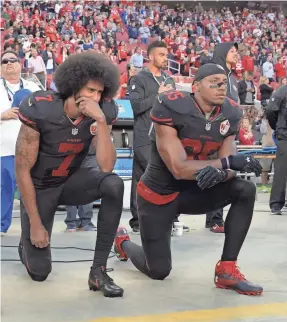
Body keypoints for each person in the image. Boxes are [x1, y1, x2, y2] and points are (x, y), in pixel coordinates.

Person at [114, 64, 263, 296]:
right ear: (195, 86)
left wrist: (223, 171)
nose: (221, 87)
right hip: (159, 195)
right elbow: (178, 168)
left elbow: (228, 163)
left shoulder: (230, 112)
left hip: (195, 192)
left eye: (223, 82)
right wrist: (225, 165)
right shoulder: (171, 104)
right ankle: (123, 243)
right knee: (159, 270)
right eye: (213, 82)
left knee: (245, 189)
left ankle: (227, 269)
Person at [15, 52, 124, 298]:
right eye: (90, 90)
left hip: (71, 182)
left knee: (113, 184)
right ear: (74, 86)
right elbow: (22, 169)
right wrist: (35, 224)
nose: (95, 97)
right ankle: (25, 243)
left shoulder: (103, 111)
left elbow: (106, 167)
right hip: (40, 187)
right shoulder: (41, 107)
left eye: (100, 92)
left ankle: (99, 270)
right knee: (39, 272)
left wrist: (102, 122)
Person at [128, 41, 187, 234]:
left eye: (166, 55)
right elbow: (136, 107)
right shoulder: (139, 78)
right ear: (151, 56)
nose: (165, 59)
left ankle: (168, 218)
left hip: (164, 135)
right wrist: (158, 95)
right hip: (144, 135)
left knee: (163, 174)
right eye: (162, 55)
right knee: (147, 177)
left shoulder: (168, 79)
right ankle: (140, 220)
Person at [1, 50, 40, 235]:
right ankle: (1, 226)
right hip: (4, 149)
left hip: (31, 149)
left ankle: (35, 225)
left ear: (20, 64)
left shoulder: (32, 86)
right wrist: (2, 115)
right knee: (5, 189)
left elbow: (47, 108)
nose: (9, 63)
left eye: (13, 60)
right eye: (4, 61)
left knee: (32, 190)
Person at [206, 42, 239, 233]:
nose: (236, 54)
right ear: (223, 53)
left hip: (229, 132)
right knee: (218, 171)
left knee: (224, 172)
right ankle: (215, 219)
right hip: (215, 130)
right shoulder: (214, 73)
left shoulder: (232, 78)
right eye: (232, 51)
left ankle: (213, 217)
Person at [266, 85, 287, 215]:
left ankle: (277, 204)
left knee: (281, 169)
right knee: (281, 170)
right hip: (285, 135)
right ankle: (276, 203)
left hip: (283, 133)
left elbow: (270, 111)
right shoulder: (282, 91)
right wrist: (278, 128)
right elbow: (270, 111)